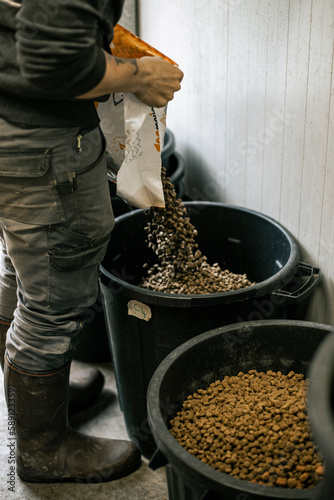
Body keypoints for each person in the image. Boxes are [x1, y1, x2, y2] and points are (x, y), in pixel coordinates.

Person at [0, 0, 183, 484]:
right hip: (37, 138)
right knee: (53, 301)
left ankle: (32, 397)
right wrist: (139, 75)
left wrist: (96, 36)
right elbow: (54, 63)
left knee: (22, 263)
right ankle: (43, 448)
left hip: (7, 121)